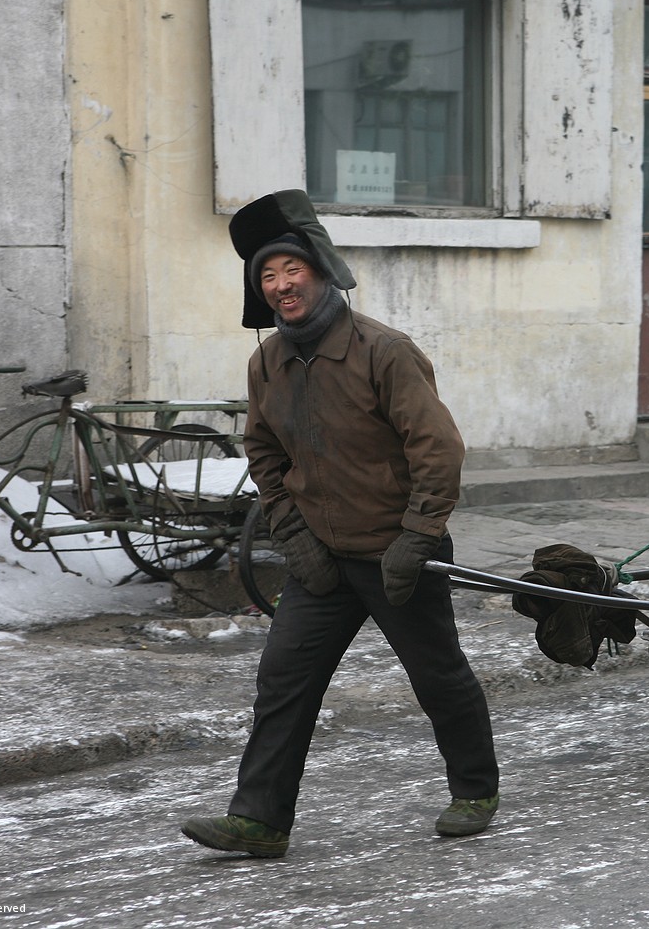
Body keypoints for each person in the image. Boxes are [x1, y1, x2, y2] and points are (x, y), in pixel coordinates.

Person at [182, 189, 499, 858]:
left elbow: (437, 450)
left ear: (321, 272)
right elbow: (264, 453)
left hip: (396, 554)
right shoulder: (267, 362)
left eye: (291, 269)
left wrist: (417, 537)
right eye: (268, 276)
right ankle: (260, 820)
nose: (281, 284)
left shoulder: (384, 351)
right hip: (321, 560)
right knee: (283, 682)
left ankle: (475, 790)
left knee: (437, 676)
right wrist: (293, 536)